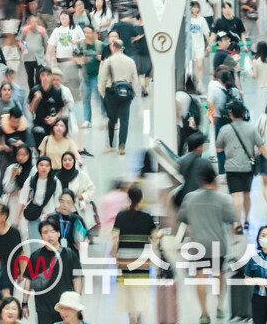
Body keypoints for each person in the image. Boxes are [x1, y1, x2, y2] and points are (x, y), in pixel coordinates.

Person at [177, 164, 239, 324]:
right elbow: (232, 220)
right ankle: (219, 306)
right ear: (215, 178)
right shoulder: (223, 198)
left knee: (200, 277)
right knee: (219, 276)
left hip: (198, 244)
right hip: (218, 243)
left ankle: (204, 313)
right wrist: (234, 237)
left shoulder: (190, 198)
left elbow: (185, 221)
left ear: (200, 180)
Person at [216, 101, 267, 228]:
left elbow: (219, 149)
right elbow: (261, 146)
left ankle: (238, 223)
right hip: (247, 167)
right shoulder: (251, 128)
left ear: (230, 114)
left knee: (236, 195)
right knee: (246, 194)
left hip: (231, 167)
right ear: (244, 113)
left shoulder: (224, 130)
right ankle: (247, 220)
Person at [21, 219, 83, 324]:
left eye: (52, 231)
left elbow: (77, 279)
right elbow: (28, 280)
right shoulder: (36, 256)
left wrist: (76, 302)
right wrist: (24, 303)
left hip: (64, 307)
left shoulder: (69, 254)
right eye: (45, 232)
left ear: (58, 233)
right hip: (43, 307)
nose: (49, 235)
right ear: (41, 236)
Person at [111, 186, 157, 324]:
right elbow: (154, 239)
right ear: (141, 199)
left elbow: (114, 238)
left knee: (127, 291)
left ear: (128, 198)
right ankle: (138, 315)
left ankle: (131, 317)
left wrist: (115, 256)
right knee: (141, 289)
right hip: (142, 260)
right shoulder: (148, 217)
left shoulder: (121, 216)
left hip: (124, 260)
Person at [98, 39, 139, 155]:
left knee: (112, 120)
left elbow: (103, 79)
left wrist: (103, 93)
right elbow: (134, 79)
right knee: (124, 120)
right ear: (122, 48)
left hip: (111, 93)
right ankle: (122, 146)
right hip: (126, 94)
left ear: (113, 48)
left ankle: (111, 144)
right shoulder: (130, 61)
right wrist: (133, 93)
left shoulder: (109, 61)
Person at [17, 157, 62, 235]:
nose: (44, 168)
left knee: (48, 241)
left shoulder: (55, 182)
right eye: (41, 165)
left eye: (47, 165)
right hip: (34, 215)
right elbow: (22, 199)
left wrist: (59, 218)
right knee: (35, 242)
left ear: (50, 167)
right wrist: (17, 218)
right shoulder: (30, 180)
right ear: (37, 166)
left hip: (50, 215)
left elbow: (58, 201)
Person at [0, 203, 24, 289]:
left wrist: (21, 273)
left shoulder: (14, 233)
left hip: (10, 274)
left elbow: (20, 253)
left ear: (4, 216)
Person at [80, 25, 105, 127]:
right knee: (86, 98)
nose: (86, 34)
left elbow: (107, 57)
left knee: (100, 97)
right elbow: (75, 56)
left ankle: (105, 117)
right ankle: (87, 119)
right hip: (86, 75)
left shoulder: (100, 45)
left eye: (89, 32)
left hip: (97, 76)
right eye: (85, 32)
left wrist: (101, 58)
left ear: (94, 33)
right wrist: (80, 60)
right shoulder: (81, 45)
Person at [21, 16, 48, 88]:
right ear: (29, 22)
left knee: (39, 75)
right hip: (28, 57)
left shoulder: (42, 31)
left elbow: (46, 43)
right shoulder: (25, 30)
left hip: (39, 57)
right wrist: (22, 47)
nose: (34, 23)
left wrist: (46, 54)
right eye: (32, 22)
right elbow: (19, 40)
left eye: (35, 22)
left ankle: (38, 89)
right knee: (30, 76)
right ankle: (32, 91)